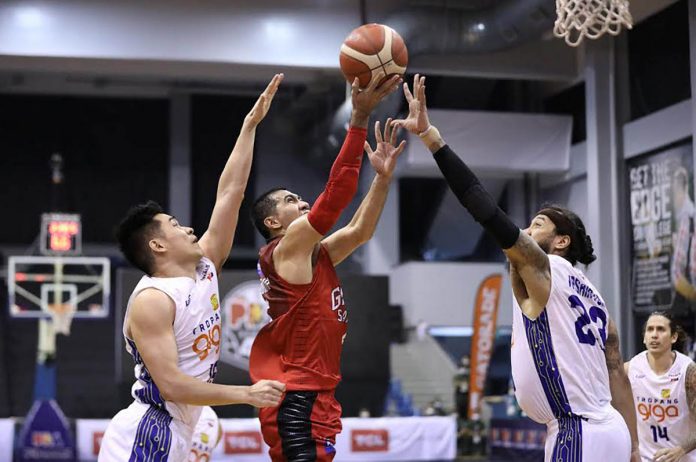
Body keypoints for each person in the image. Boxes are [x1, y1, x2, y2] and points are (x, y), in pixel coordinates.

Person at [392, 74, 640, 462]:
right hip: (611, 428)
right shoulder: (597, 298)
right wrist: (635, 445)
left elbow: (482, 206)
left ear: (562, 241)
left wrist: (431, 139)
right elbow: (618, 377)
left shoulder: (545, 268)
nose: (526, 228)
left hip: (576, 429)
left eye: (538, 224)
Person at [99, 75, 287, 462]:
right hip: (150, 429)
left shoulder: (204, 267)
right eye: (174, 225)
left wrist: (249, 127)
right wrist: (246, 395)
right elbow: (170, 385)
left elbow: (230, 195)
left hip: (183, 428)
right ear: (157, 245)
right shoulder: (153, 299)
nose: (187, 228)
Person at [248, 74, 404, 461]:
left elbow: (360, 231)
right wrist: (359, 119)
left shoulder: (312, 256)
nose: (302, 203)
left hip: (315, 391)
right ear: (273, 223)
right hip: (298, 396)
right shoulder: (286, 250)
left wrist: (382, 180)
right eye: (291, 200)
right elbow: (335, 197)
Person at [626, 311, 696, 462]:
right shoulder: (632, 368)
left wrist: (681, 449)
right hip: (645, 458)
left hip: (682, 458)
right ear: (644, 338)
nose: (654, 335)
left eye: (661, 329)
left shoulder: (689, 372)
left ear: (674, 337)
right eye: (650, 329)